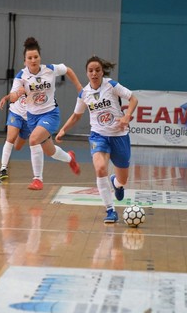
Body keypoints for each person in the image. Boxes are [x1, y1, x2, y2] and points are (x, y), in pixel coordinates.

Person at [56, 56, 138, 223]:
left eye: (97, 70)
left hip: (119, 136)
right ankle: (110, 210)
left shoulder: (111, 85)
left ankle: (117, 183)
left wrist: (127, 116)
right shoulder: (84, 93)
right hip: (98, 136)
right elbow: (76, 116)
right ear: (87, 73)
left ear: (102, 72)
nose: (94, 73)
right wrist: (63, 129)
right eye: (91, 70)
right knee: (100, 168)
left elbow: (133, 99)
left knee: (123, 179)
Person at [8, 37, 83, 190]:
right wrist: (18, 93)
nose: (33, 60)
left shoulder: (49, 69)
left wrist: (79, 87)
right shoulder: (21, 76)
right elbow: (13, 97)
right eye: (29, 58)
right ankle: (70, 159)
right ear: (25, 61)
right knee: (50, 151)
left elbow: (67, 69)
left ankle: (38, 179)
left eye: (36, 57)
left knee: (33, 139)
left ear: (40, 58)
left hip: (50, 114)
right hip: (32, 118)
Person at [0, 88, 45, 190]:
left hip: (29, 119)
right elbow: (13, 95)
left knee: (18, 146)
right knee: (10, 138)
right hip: (16, 113)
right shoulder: (22, 81)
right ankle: (3, 168)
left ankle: (19, 132)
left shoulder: (41, 86)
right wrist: (6, 98)